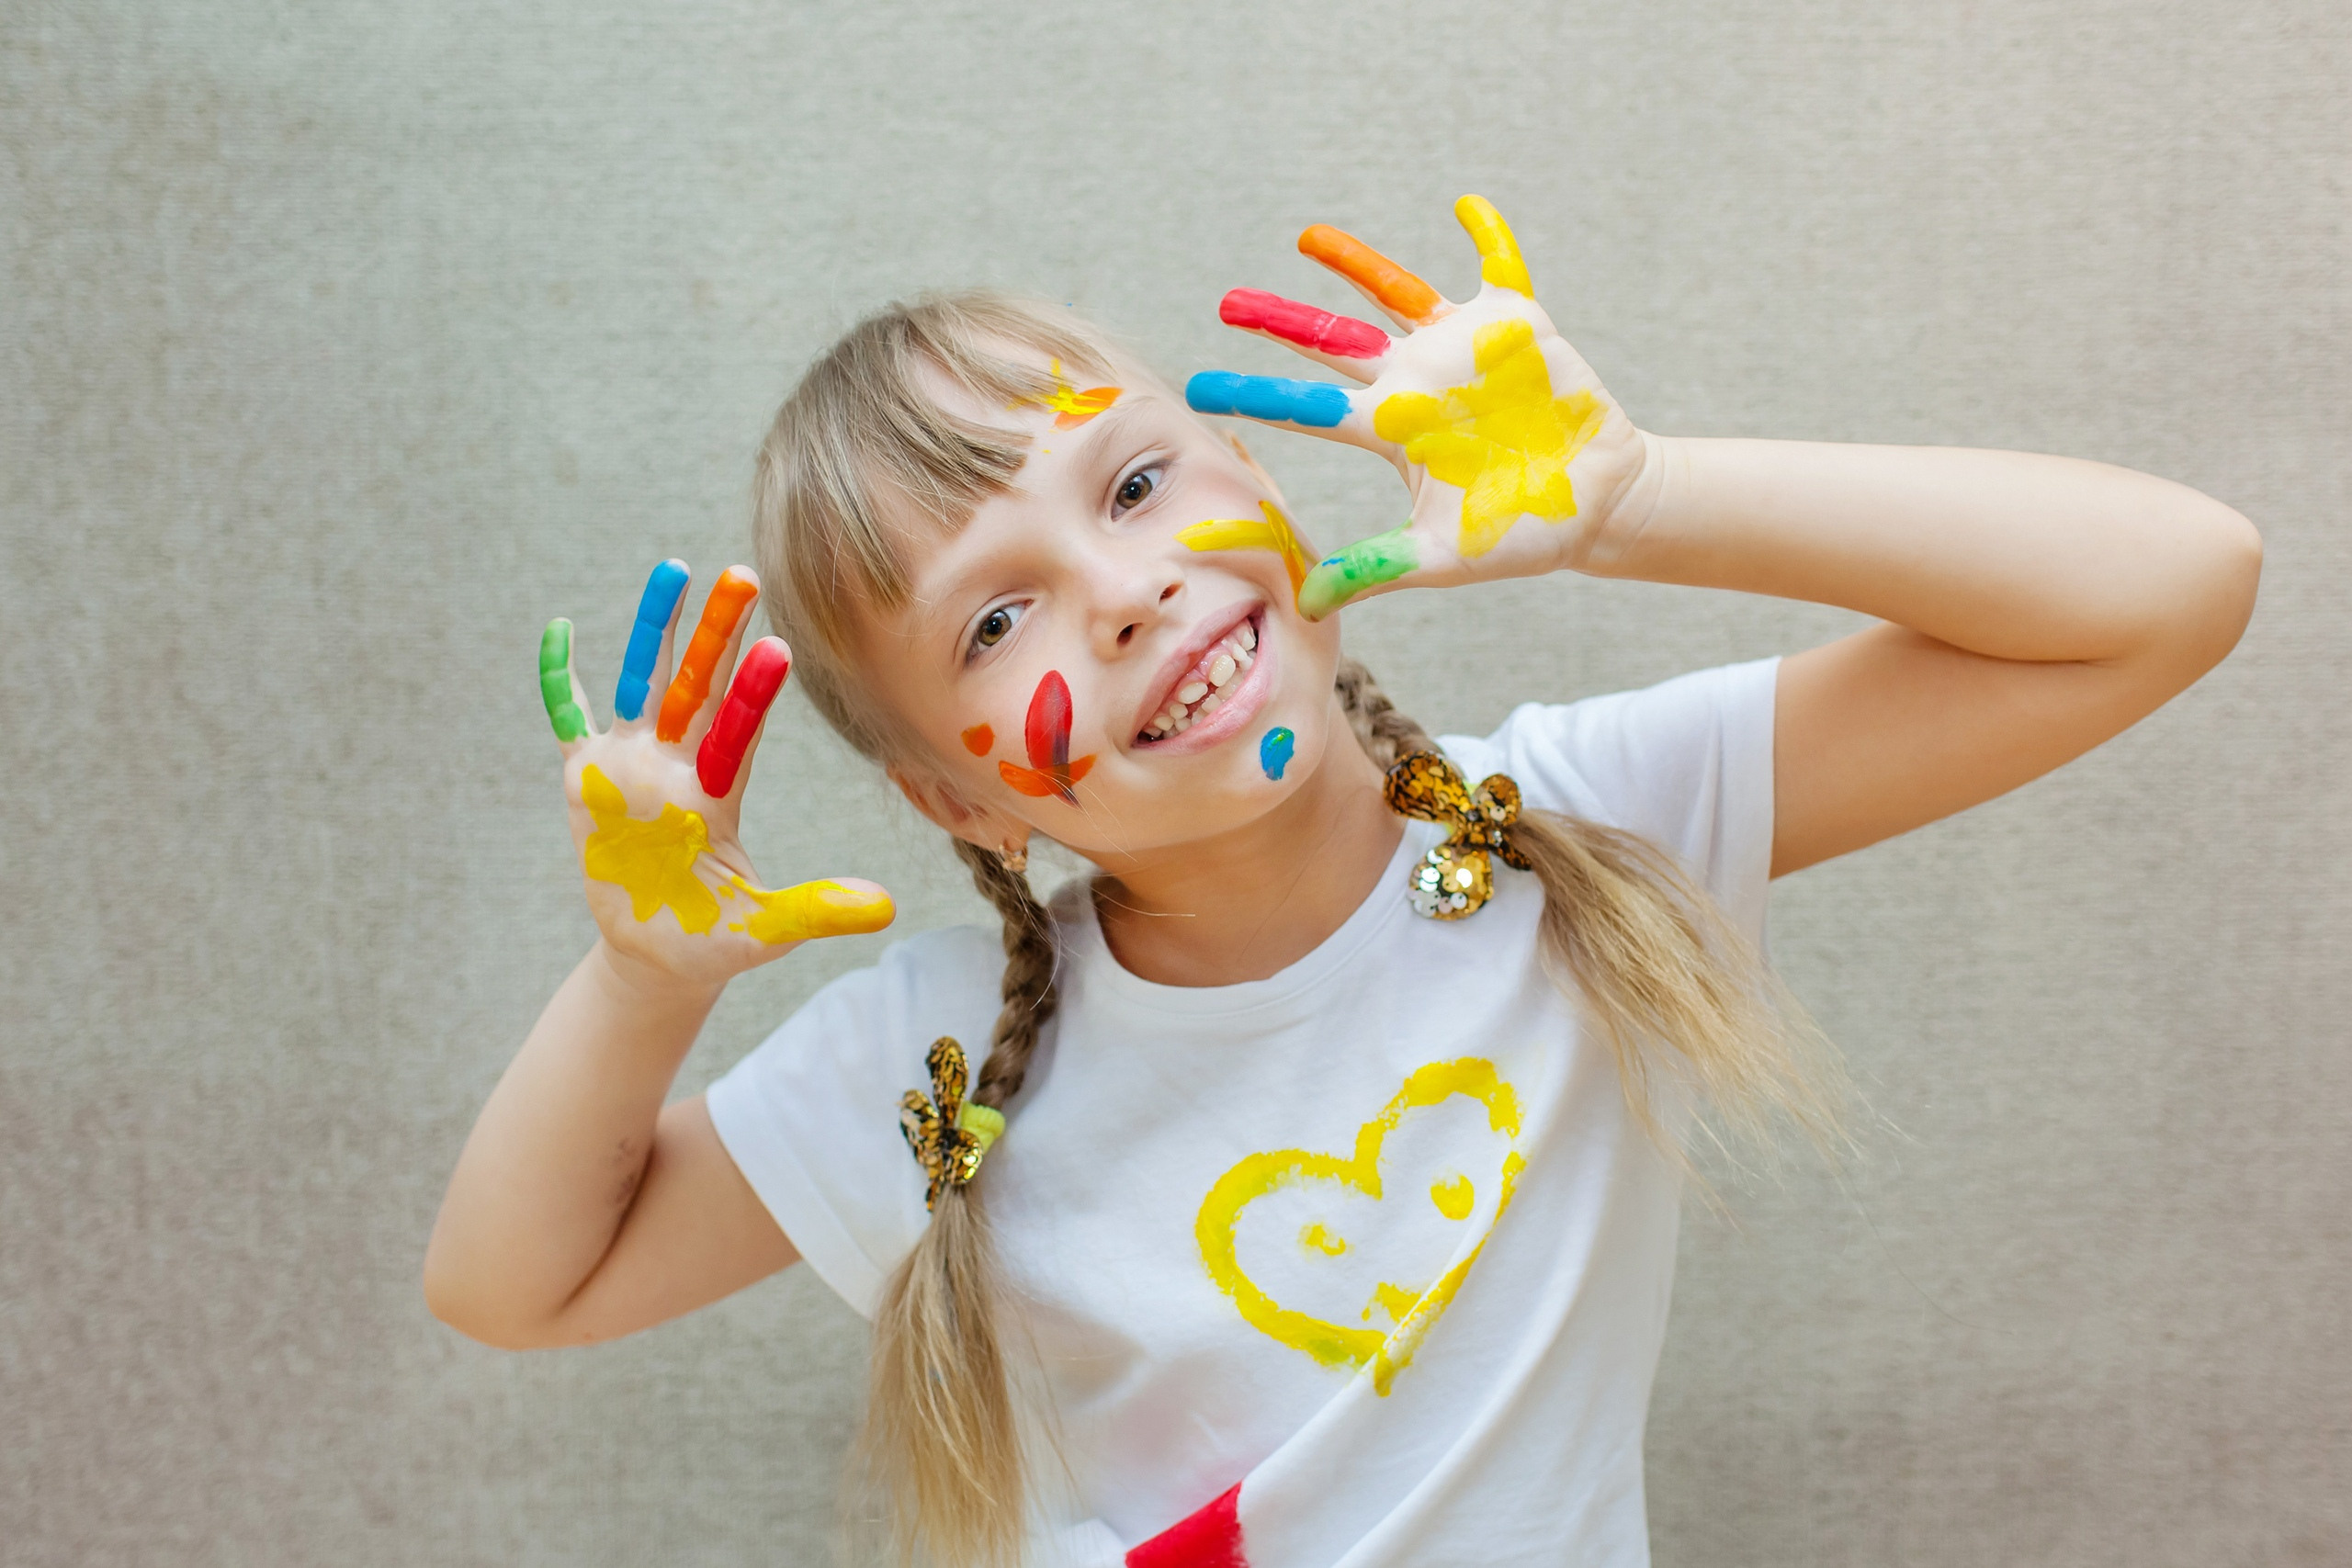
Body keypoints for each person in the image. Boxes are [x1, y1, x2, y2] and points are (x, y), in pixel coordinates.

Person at [424, 197, 2260, 1568]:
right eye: (995, 614)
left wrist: (1634, 497)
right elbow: (512, 1283)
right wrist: (645, 976)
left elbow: (2167, 586)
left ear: (1261, 478)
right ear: (952, 796)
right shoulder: (926, 1068)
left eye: (1133, 485)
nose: (1124, 587)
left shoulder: (1586, 822)